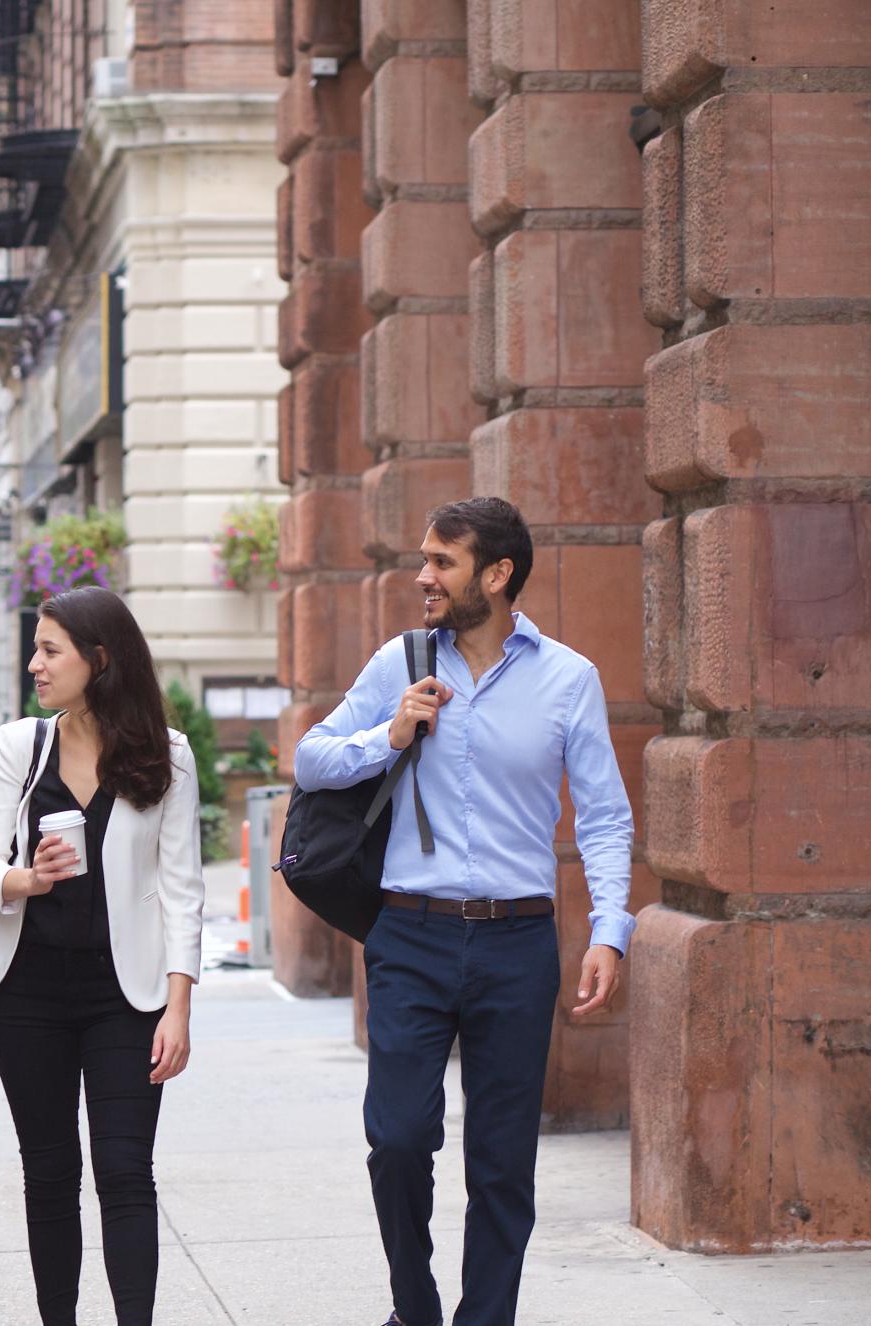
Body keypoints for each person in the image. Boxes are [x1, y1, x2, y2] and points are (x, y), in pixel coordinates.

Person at [293, 497, 634, 1326]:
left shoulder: (567, 678)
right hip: (408, 934)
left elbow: (602, 815)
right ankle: (414, 1307)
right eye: (424, 560)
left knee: (501, 1161)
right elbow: (310, 759)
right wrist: (390, 735)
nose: (422, 577)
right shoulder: (401, 662)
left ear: (496, 574)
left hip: (518, 940)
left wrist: (609, 931)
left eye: (441, 563)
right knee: (399, 1139)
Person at [0, 585, 203, 1326]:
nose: (35, 664)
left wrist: (178, 1007)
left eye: (48, 650)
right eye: (35, 649)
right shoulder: (18, 747)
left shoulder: (168, 756)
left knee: (126, 1173)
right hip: (26, 996)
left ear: (98, 660)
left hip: (125, 1000)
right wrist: (21, 878)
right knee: (50, 1174)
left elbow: (182, 890)